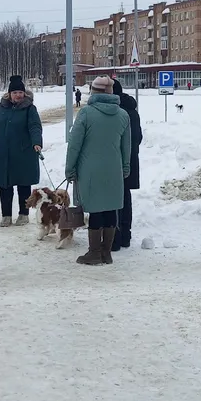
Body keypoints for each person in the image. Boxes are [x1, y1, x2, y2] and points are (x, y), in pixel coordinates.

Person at [65, 75, 130, 265]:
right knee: (110, 209)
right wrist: (125, 167)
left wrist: (70, 168)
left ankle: (94, 252)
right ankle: (106, 253)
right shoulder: (123, 115)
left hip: (90, 170)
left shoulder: (86, 113)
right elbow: (126, 146)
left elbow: (74, 144)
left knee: (95, 210)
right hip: (114, 169)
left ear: (93, 92)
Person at [0, 75, 43, 227]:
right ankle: (6, 216)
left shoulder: (30, 109)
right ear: (9, 94)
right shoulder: (0, 108)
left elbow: (35, 127)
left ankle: (23, 214)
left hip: (23, 153)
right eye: (15, 92)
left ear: (24, 93)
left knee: (23, 185)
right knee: (5, 186)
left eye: (20, 92)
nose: (18, 95)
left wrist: (36, 142)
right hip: (3, 153)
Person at [111, 79, 143, 251]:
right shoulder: (132, 111)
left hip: (117, 161)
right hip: (131, 159)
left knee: (114, 200)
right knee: (125, 197)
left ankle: (115, 238)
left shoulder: (116, 113)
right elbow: (138, 137)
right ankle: (125, 236)